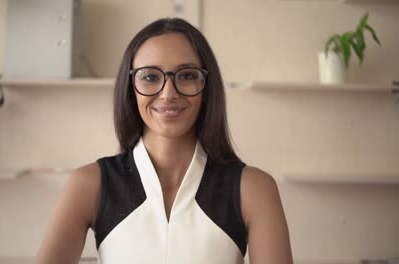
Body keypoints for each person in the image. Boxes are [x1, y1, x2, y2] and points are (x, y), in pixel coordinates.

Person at [36, 17, 293, 264]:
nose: (168, 93)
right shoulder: (89, 185)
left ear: (206, 87)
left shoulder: (254, 190)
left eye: (187, 75)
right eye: (150, 77)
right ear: (130, 88)